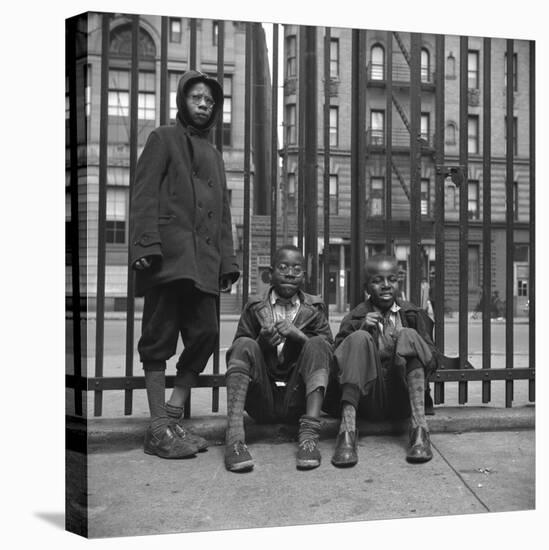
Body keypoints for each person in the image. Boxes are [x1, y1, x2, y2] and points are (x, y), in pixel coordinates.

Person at [129, 71, 240, 459]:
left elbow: (224, 213)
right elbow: (143, 194)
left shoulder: (214, 155)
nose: (204, 105)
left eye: (210, 101)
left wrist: (228, 261)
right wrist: (144, 245)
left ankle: (171, 418)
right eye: (197, 98)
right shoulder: (162, 138)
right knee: (158, 338)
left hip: (205, 263)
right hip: (168, 258)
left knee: (207, 334)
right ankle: (158, 428)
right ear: (183, 101)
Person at [323, 254, 441, 468]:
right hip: (368, 400)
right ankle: (347, 432)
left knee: (409, 336)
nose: (386, 286)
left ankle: (420, 431)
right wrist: (362, 330)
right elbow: (335, 365)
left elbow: (432, 360)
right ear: (367, 286)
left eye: (392, 279)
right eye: (377, 281)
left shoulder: (413, 314)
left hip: (403, 397)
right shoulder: (355, 317)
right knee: (358, 338)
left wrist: (405, 343)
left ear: (399, 282)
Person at [223, 245, 333, 472]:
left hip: (298, 400)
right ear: (270, 273)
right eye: (283, 268)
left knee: (317, 343)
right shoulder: (254, 307)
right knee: (244, 344)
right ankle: (234, 439)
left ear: (304, 275)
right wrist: (262, 343)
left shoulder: (314, 308)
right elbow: (236, 353)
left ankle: (309, 437)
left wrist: (299, 336)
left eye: (297, 269)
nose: (290, 273)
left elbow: (330, 354)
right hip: (263, 399)